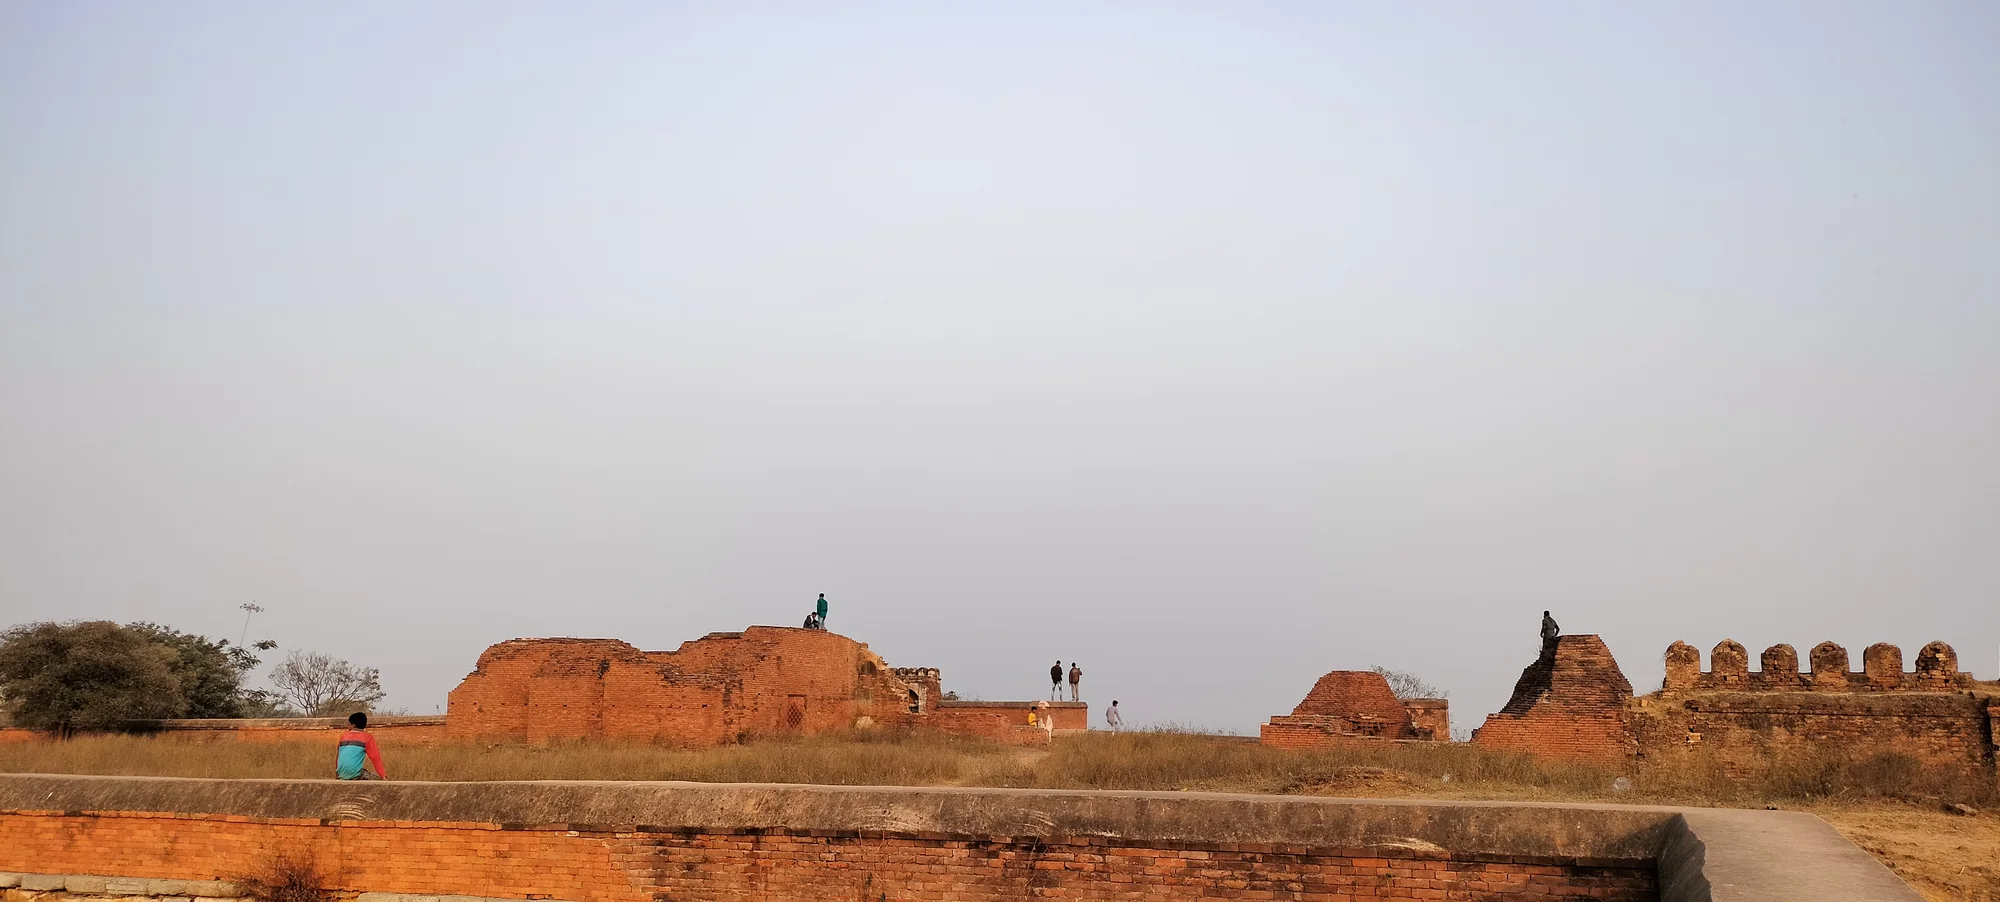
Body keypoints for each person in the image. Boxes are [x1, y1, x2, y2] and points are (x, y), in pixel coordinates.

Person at [336, 711, 386, 781]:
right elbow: (375, 758)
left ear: (353, 725)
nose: (348, 726)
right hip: (355, 774)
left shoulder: (343, 736)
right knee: (377, 779)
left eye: (348, 724)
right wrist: (383, 775)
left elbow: (338, 756)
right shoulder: (367, 737)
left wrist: (337, 775)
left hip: (341, 773)